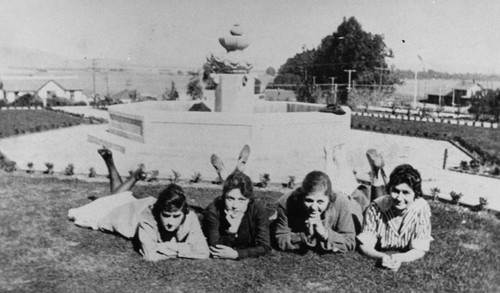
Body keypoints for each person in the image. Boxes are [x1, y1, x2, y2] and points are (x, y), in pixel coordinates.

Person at [67, 147, 209, 261]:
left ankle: (119, 168)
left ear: (184, 212)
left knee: (118, 196)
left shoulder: (190, 216)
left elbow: (203, 252)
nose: (171, 222)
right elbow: (151, 255)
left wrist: (169, 247)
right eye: (166, 215)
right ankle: (123, 170)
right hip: (117, 214)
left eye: (176, 216)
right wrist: (185, 247)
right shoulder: (148, 217)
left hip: (135, 206)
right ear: (159, 211)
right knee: (112, 201)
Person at [357, 164, 433, 271]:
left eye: (406, 192)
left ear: (416, 194)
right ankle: (376, 173)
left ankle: (376, 171)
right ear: (389, 189)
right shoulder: (375, 207)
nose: (399, 198)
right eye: (396, 191)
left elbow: (420, 247)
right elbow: (365, 243)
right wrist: (380, 256)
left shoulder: (421, 208)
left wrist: (401, 258)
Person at [203, 145, 271, 259]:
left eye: (242, 200)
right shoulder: (214, 209)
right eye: (230, 199)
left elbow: (265, 246)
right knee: (233, 184)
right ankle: (229, 171)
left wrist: (237, 254)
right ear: (223, 197)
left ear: (249, 199)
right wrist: (231, 231)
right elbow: (215, 247)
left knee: (235, 183)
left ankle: (227, 171)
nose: (235, 206)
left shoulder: (258, 208)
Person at [273, 170, 356, 253]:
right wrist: (305, 235)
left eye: (320, 202)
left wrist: (325, 234)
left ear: (330, 199)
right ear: (301, 197)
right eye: (309, 201)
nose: (314, 207)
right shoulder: (287, 202)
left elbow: (350, 241)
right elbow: (281, 238)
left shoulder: (340, 203)